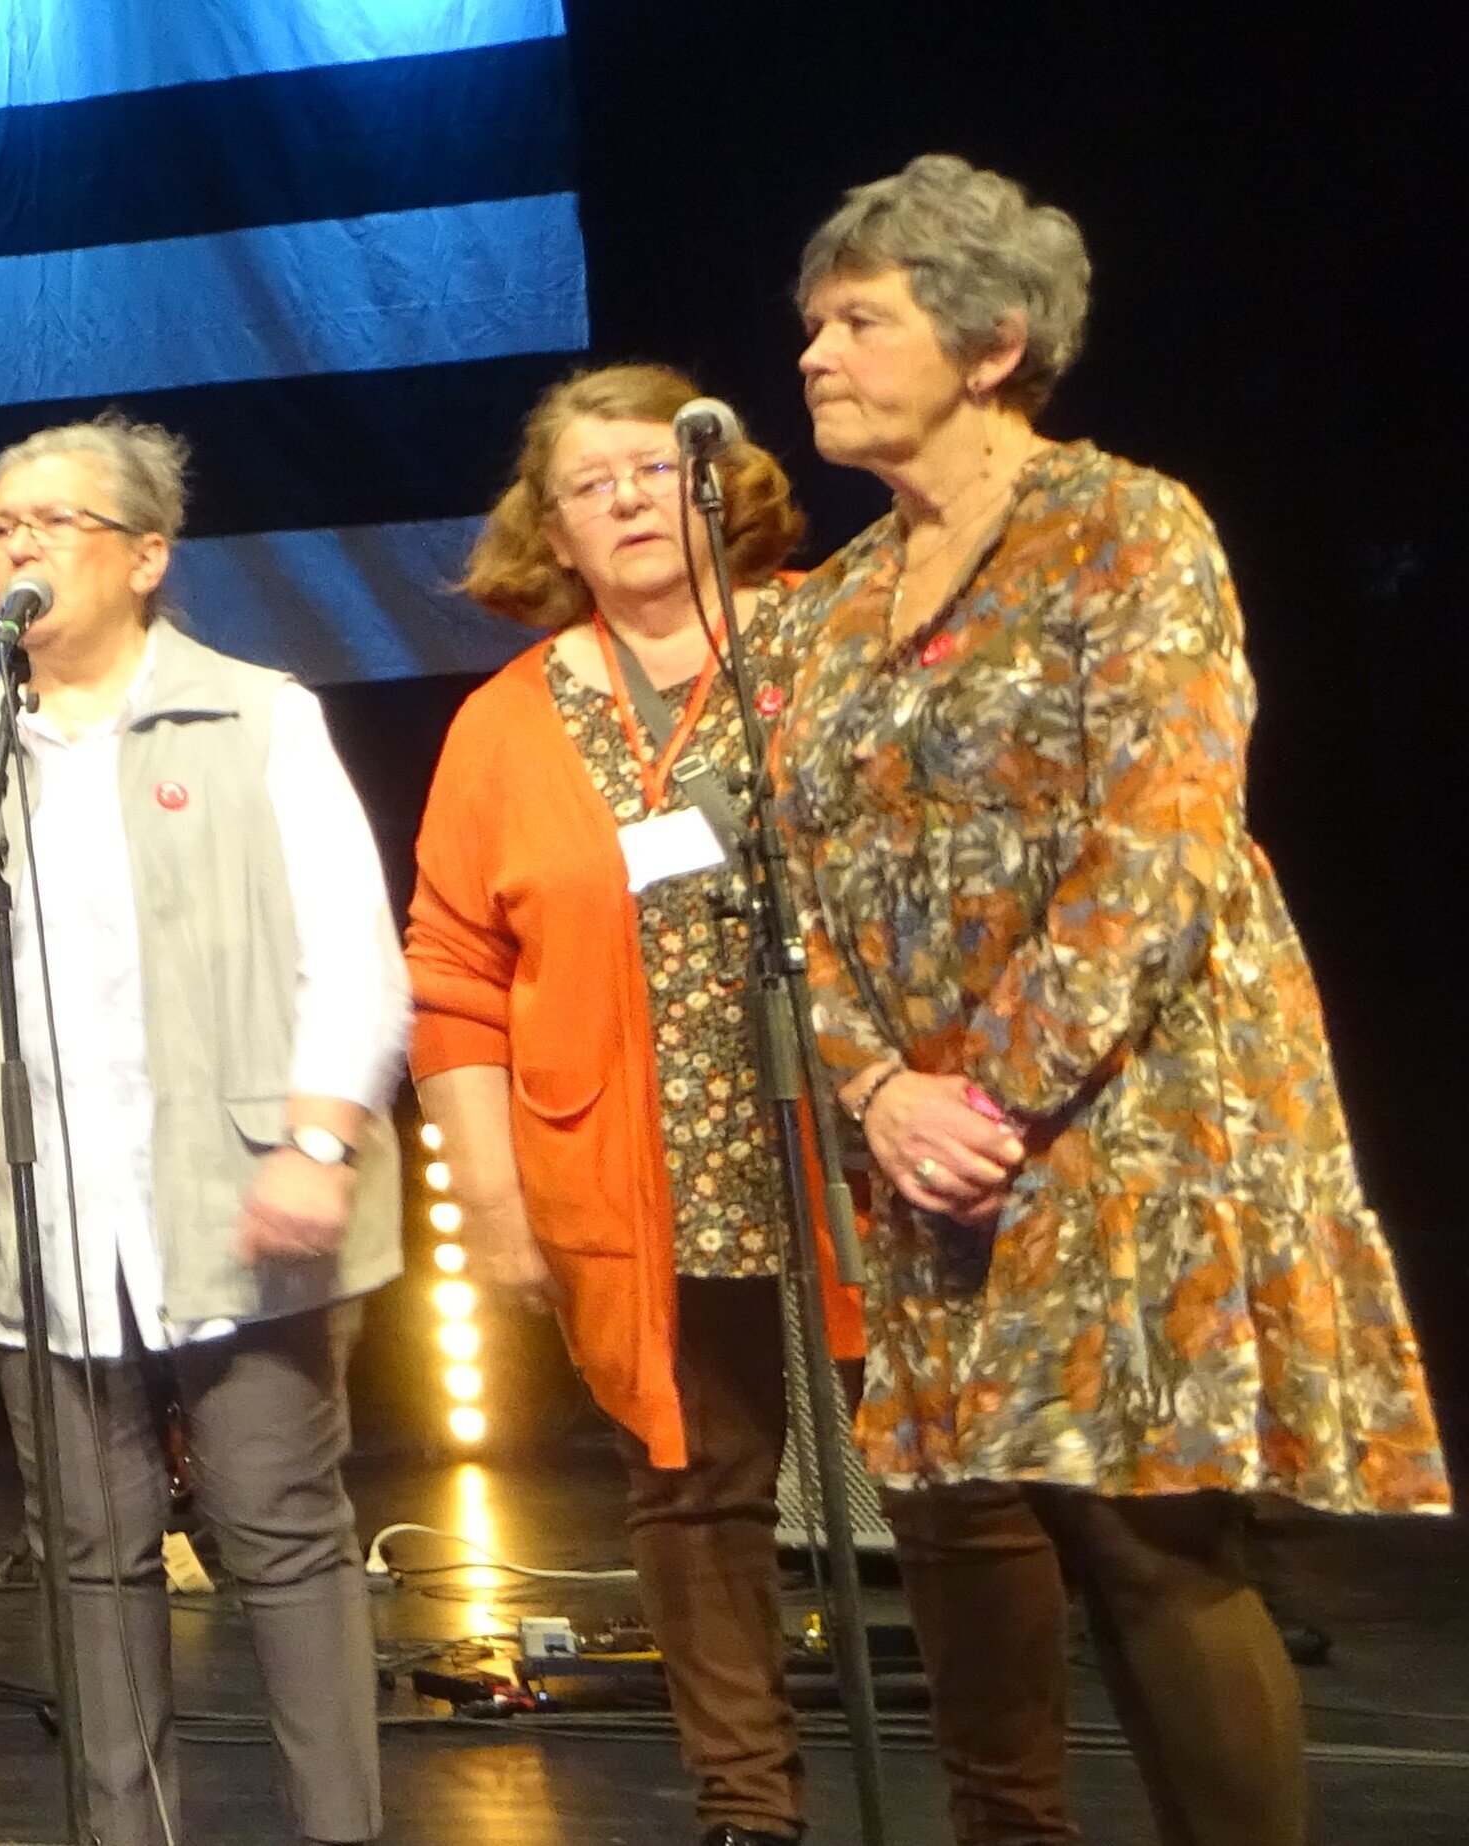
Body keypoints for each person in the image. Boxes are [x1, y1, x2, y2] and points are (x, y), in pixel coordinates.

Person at [762, 154, 1444, 1846]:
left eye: (859, 319)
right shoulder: (831, 606)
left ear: (987, 343)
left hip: (1134, 1104)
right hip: (929, 1140)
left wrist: (985, 1095)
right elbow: (792, 885)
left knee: (1148, 1531)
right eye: (811, 326)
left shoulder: (1129, 528)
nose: (814, 356)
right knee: (1042, 1521)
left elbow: (1160, 832)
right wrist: (873, 1093)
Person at [406, 363, 1017, 1846]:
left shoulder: (841, 641)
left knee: (958, 1489)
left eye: (649, 468)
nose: (623, 498)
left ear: (715, 484)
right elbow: (454, 966)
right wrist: (488, 1197)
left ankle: (1014, 1813)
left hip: (872, 1145)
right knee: (692, 1492)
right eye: (586, 482)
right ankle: (749, 1810)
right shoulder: (506, 720)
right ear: (546, 525)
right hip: (638, 1164)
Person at [0, 415, 408, 1846]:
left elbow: (354, 951)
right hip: (43, 1216)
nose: (14, 544)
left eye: (52, 522)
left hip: (234, 1195)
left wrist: (319, 1138)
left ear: (148, 555)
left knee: (281, 1535)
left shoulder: (259, 716)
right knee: (90, 1559)